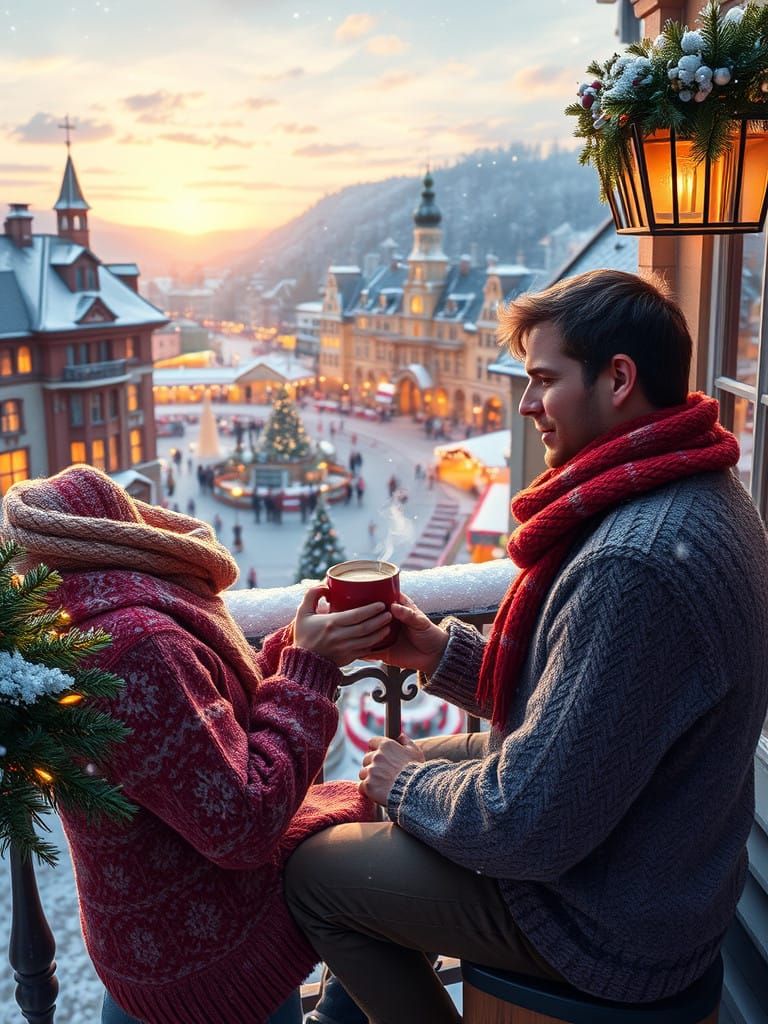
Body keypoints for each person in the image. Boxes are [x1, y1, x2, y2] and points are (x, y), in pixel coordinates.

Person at [285, 269, 768, 1024]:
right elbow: (603, 702)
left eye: (544, 380)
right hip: (660, 866)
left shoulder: (633, 559)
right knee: (365, 800)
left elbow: (527, 823)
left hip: (608, 920)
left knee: (315, 873)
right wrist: (441, 654)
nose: (526, 404)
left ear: (618, 379)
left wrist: (407, 786)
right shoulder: (702, 489)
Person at [2, 465, 392, 1024]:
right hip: (215, 969)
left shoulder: (64, 617)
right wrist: (309, 670)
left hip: (148, 948)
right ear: (122, 530)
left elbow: (195, 730)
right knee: (393, 867)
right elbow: (242, 821)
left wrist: (293, 649)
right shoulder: (139, 643)